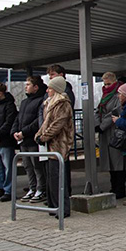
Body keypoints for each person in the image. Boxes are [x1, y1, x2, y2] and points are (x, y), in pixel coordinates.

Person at [36, 75, 74, 218]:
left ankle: (63, 208)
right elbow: (45, 122)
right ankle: (53, 206)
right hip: (48, 145)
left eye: (50, 88)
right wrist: (38, 135)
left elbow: (58, 123)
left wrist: (44, 136)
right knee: (50, 178)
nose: (47, 91)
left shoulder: (63, 104)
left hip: (59, 145)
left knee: (58, 178)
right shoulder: (48, 103)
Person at [12, 75, 47, 203]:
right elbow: (18, 118)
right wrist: (15, 132)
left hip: (32, 139)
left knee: (36, 165)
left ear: (36, 87)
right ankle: (32, 188)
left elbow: (38, 121)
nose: (25, 87)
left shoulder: (40, 101)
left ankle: (40, 189)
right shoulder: (24, 102)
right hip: (23, 140)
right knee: (27, 165)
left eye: (28, 84)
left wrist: (24, 132)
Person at [45, 65, 75, 196]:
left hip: (59, 141)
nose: (50, 77)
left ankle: (62, 198)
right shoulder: (49, 99)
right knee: (52, 173)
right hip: (51, 140)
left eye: (52, 74)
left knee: (60, 172)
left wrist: (44, 135)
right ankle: (54, 198)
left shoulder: (64, 98)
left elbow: (59, 121)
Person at [95, 72, 125, 198]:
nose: (106, 86)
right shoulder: (104, 96)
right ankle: (113, 186)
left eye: (108, 84)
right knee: (109, 162)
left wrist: (102, 126)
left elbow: (115, 112)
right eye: (105, 84)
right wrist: (97, 124)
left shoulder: (118, 95)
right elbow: (98, 111)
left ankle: (120, 188)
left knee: (117, 161)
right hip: (105, 132)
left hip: (114, 131)